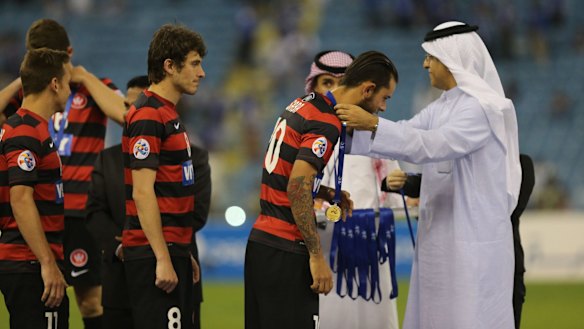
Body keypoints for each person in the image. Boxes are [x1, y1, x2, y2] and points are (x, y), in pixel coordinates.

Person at [336, 21, 522, 329]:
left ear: (451, 59)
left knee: (469, 316)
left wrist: (372, 124)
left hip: (472, 238)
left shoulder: (482, 108)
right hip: (442, 233)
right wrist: (338, 135)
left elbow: (433, 145)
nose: (425, 64)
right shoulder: (446, 105)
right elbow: (408, 132)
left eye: (431, 57)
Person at [245, 50, 398, 329]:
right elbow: (297, 186)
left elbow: (289, 174)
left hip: (263, 242)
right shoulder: (326, 122)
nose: (383, 107)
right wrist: (316, 256)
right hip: (287, 247)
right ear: (367, 89)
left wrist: (325, 192)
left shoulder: (303, 104)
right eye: (384, 98)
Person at [0, 18, 127, 329]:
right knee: (46, 297)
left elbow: (126, 115)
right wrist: (25, 79)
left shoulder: (90, 88)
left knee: (89, 299)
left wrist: (85, 76)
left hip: (80, 212)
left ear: (67, 52)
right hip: (38, 212)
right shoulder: (27, 101)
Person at [305, 50, 400, 329]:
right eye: (327, 83)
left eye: (341, 82)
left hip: (371, 244)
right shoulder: (309, 130)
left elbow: (394, 188)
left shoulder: (375, 133)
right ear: (313, 87)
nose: (335, 91)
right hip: (324, 246)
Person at [386, 153, 535, 329]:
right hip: (459, 266)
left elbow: (503, 212)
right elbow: (437, 184)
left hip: (503, 266)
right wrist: (405, 182)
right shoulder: (461, 167)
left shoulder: (520, 164)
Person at [122, 24, 206, 329]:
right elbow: (142, 193)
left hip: (173, 248)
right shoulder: (148, 115)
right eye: (195, 63)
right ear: (169, 66)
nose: (202, 73)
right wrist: (162, 256)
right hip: (153, 254)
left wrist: (179, 250)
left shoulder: (167, 113)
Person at [0, 48, 71, 329]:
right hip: (28, 262)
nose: (69, 90)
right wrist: (47, 262)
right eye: (67, 83)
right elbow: (20, 199)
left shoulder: (28, 127)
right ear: (54, 84)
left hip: (28, 261)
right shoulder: (25, 130)